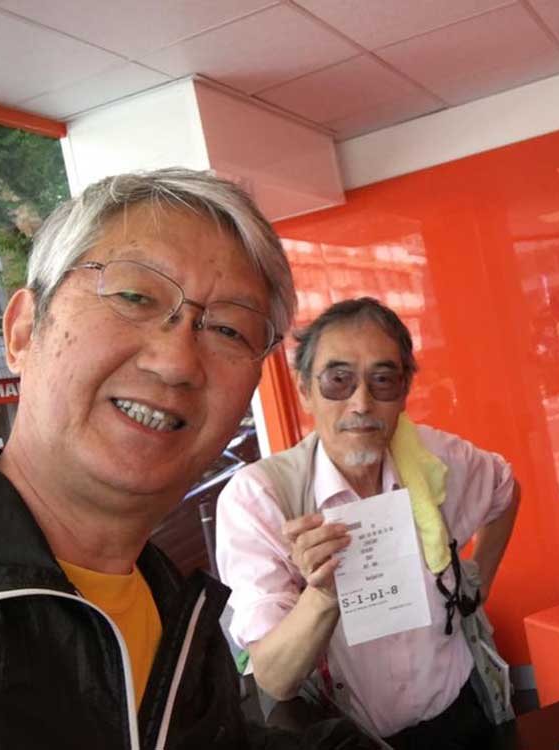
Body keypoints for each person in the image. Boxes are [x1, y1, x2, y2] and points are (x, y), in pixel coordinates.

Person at [0, 168, 316, 749]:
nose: (176, 363)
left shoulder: (184, 621)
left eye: (230, 330)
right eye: (134, 296)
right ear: (24, 331)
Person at [215, 297, 521, 750]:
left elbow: (505, 490)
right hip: (350, 737)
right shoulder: (262, 498)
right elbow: (275, 678)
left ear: (404, 391)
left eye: (382, 380)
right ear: (305, 389)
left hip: (461, 715)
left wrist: (479, 584)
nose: (361, 403)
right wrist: (321, 596)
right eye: (338, 380)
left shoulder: (436, 461)